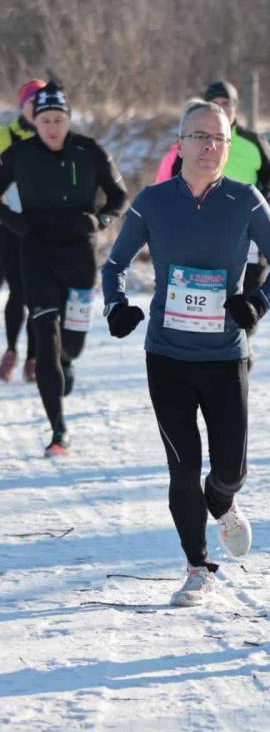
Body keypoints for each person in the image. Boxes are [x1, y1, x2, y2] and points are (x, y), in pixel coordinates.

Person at [101, 99, 270, 607]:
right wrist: (115, 307)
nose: (209, 147)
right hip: (166, 354)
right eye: (199, 137)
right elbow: (113, 264)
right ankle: (197, 566)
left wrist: (257, 302)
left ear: (229, 147)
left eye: (219, 139)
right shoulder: (152, 201)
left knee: (230, 468)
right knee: (182, 466)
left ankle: (223, 501)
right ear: (180, 144)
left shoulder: (246, 200)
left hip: (226, 355)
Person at [0, 81, 128, 455]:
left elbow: (119, 197)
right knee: (44, 337)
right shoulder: (18, 154)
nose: (52, 127)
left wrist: (102, 222)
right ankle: (59, 430)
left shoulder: (90, 151)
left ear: (68, 120)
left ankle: (68, 359)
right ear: (35, 123)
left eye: (58, 119)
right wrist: (13, 221)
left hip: (79, 256)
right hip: (36, 251)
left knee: (71, 342)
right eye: (45, 120)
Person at [154, 80, 270, 367]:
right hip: (204, 236)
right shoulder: (189, 147)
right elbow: (170, 188)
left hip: (249, 235)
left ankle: (242, 345)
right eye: (217, 104)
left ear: (236, 109)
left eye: (228, 104)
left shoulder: (254, 142)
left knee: (247, 301)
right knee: (209, 299)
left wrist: (267, 201)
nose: (223, 109)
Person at [0, 79, 44, 383]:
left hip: (43, 228)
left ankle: (32, 357)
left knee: (37, 292)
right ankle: (12, 350)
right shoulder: (4, 137)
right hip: (10, 225)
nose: (39, 109)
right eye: (33, 103)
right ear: (22, 106)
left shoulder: (53, 136)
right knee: (18, 290)